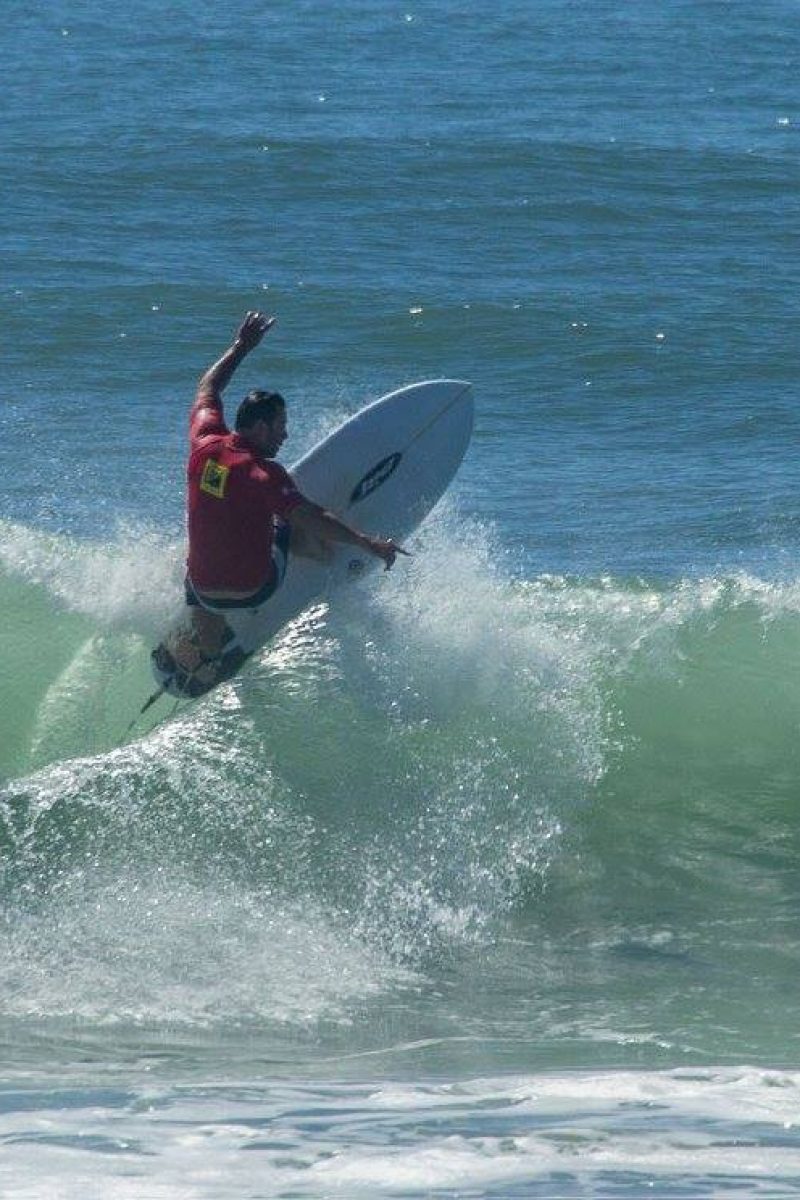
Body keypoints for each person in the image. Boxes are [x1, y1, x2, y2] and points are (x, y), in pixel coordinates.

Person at [172, 311, 407, 677]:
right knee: (289, 527)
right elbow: (310, 517)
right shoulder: (264, 474)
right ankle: (323, 559)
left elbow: (208, 388)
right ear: (262, 426)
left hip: (203, 588)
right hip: (254, 588)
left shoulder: (203, 442)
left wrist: (240, 347)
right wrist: (366, 542)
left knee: (203, 580)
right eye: (280, 426)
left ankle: (207, 649)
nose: (285, 435)